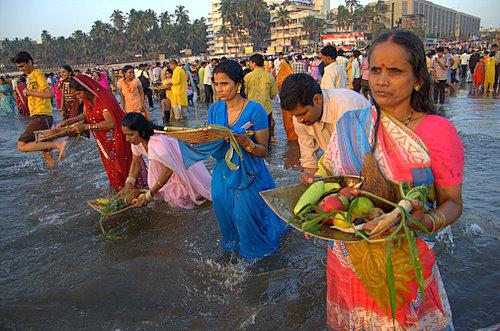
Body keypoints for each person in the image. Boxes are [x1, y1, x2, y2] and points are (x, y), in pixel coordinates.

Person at [320, 30, 463, 330]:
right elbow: (331, 180)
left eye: (395, 71)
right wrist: (316, 209)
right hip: (348, 257)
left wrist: (421, 221)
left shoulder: (438, 131)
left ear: (419, 79)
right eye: (376, 70)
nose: (382, 80)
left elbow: (452, 204)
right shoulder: (351, 124)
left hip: (405, 261)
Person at [179, 60, 288, 260]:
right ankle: (233, 257)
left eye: (224, 84)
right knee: (226, 217)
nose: (219, 89)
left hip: (250, 174)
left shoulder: (255, 111)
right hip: (223, 174)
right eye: (216, 84)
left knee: (248, 219)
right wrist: (195, 139)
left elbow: (263, 151)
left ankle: (257, 261)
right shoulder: (214, 110)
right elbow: (214, 145)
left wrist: (246, 143)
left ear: (238, 84)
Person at [280, 73, 370, 182]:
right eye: (295, 115)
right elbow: (309, 162)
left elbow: (360, 158)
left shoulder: (346, 109)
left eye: (303, 114)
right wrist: (310, 180)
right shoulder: (299, 119)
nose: (300, 120)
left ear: (317, 99)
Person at [58, 74, 140, 190]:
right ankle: (119, 190)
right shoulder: (88, 99)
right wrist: (69, 121)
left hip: (117, 138)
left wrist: (85, 127)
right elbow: (86, 114)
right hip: (104, 140)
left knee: (122, 165)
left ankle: (132, 190)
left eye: (78, 93)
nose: (78, 97)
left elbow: (110, 123)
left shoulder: (103, 99)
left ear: (86, 88)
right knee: (111, 166)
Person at [120, 112, 211, 209]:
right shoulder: (136, 142)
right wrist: (129, 184)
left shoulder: (158, 142)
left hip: (178, 168)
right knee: (167, 200)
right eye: (126, 135)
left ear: (141, 131)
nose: (127, 139)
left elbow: (168, 171)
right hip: (162, 170)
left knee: (186, 201)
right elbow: (135, 163)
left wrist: (149, 195)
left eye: (130, 135)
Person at [11, 51, 66, 168]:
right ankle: (56, 176)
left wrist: (29, 92)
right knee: (47, 153)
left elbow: (49, 94)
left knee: (21, 145)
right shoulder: (31, 77)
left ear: (29, 62)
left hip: (41, 116)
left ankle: (58, 145)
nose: (21, 69)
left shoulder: (37, 74)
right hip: (40, 116)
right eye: (18, 67)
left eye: (22, 66)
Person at [244, 53, 279, 144]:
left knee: (251, 133)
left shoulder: (248, 77)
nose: (249, 65)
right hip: (266, 109)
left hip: (251, 109)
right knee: (266, 132)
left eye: (250, 63)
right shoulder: (269, 76)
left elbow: (245, 94)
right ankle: (267, 152)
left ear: (254, 63)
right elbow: (273, 94)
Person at [277, 56, 298, 142]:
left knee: (287, 121)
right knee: (294, 119)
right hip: (294, 102)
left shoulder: (280, 79)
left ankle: (290, 137)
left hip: (285, 103)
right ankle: (296, 136)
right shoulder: (291, 77)